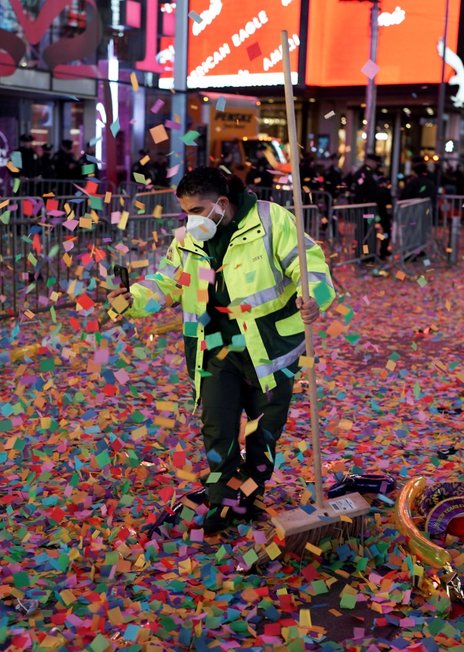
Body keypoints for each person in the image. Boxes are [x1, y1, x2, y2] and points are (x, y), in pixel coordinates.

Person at [108, 167, 335, 536]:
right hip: (215, 348)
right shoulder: (188, 239)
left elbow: (310, 265)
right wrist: (132, 300)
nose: (190, 220)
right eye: (185, 212)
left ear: (221, 204)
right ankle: (223, 503)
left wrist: (314, 296)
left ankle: (249, 492)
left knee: (263, 436)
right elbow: (167, 281)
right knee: (218, 428)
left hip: (271, 350)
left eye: (196, 210)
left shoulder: (271, 219)